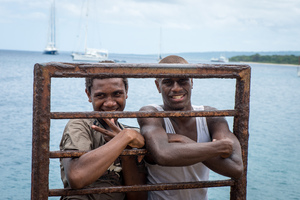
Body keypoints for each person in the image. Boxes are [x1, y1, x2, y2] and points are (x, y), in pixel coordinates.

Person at [137, 55, 244, 200]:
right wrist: (219, 147)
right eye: (168, 82)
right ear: (158, 85)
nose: (176, 88)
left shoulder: (211, 117)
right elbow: (163, 154)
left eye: (183, 81)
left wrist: (183, 141)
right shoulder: (151, 114)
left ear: (192, 81)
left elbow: (236, 169)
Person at [59, 75, 147, 200]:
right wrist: (125, 137)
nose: (110, 103)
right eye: (100, 95)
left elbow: (138, 196)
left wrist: (126, 150)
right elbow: (76, 178)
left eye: (117, 94)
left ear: (126, 92)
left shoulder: (134, 135)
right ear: (89, 95)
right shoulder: (80, 125)